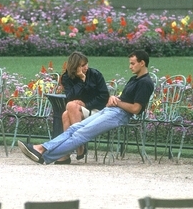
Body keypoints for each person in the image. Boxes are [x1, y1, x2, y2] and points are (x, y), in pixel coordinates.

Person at [20, 50, 154, 165]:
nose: (130, 67)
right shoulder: (134, 79)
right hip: (110, 110)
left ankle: (44, 154)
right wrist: (114, 98)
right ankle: (41, 149)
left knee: (80, 133)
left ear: (142, 63)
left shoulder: (145, 83)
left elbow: (136, 109)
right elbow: (124, 98)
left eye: (132, 63)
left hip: (119, 115)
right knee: (74, 128)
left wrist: (117, 103)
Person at [56, 51, 109, 163]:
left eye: (86, 64)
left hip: (96, 110)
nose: (86, 67)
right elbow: (70, 96)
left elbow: (104, 97)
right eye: (82, 65)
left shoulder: (95, 74)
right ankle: (77, 147)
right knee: (67, 112)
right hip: (76, 111)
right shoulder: (66, 77)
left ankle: (72, 150)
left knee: (69, 108)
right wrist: (81, 81)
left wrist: (86, 105)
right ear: (74, 67)